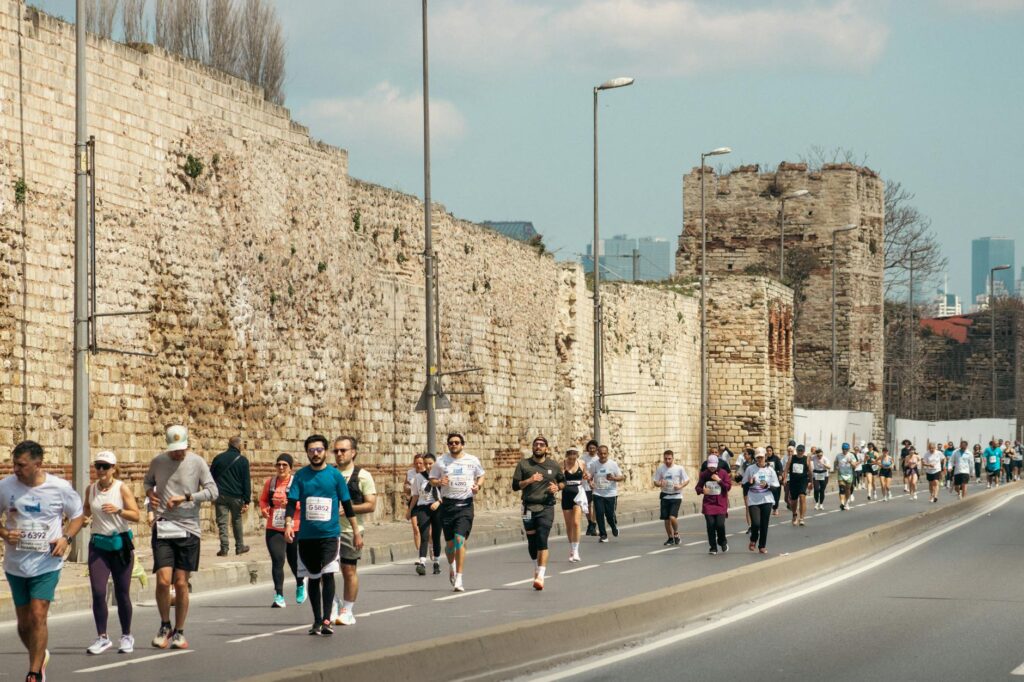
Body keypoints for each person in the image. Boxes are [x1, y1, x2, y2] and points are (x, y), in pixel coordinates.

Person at [1, 440, 85, 681]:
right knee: (24, 624)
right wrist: (6, 533)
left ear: (38, 464)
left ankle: (34, 672)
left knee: (38, 615)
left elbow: (78, 516)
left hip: (47, 562)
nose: (16, 469)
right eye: (14, 464)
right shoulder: (5, 487)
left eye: (21, 465)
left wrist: (66, 538)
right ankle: (39, 653)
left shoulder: (59, 487)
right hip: (16, 564)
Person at [144, 425, 218, 650]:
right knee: (163, 580)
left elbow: (213, 492)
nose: (178, 453)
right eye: (174, 450)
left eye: (181, 449)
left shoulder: (197, 462)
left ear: (187, 444)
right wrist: (151, 494)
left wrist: (187, 497)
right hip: (164, 526)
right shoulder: (158, 462)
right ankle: (165, 625)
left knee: (181, 582)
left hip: (188, 528)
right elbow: (148, 482)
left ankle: (180, 631)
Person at [285, 434, 362, 636]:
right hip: (307, 536)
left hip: (330, 535)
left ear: (325, 452)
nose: (316, 454)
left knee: (328, 575)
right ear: (307, 453)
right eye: (311, 451)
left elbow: (347, 504)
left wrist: (356, 531)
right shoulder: (300, 476)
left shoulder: (334, 476)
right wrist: (287, 525)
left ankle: (327, 619)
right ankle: (317, 620)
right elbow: (292, 502)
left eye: (319, 450)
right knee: (312, 577)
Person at [84, 450, 141, 655]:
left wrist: (118, 510)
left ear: (113, 469)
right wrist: (83, 519)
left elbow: (136, 515)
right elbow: (86, 510)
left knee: (121, 592)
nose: (100, 470)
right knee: (98, 592)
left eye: (105, 466)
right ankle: (102, 637)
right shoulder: (91, 489)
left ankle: (126, 635)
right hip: (98, 545)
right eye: (98, 465)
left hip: (120, 545)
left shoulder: (121, 488)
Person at [429, 433, 485, 592]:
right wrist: (439, 482)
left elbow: (481, 475)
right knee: (450, 546)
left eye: (456, 442)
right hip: (447, 506)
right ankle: (452, 565)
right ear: (448, 445)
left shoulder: (472, 460)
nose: (453, 445)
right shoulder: (441, 461)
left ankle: (459, 578)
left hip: (465, 505)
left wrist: (478, 486)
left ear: (462, 444)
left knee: (460, 540)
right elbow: (432, 479)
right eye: (451, 443)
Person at [331, 436, 376, 626]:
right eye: (336, 451)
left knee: (348, 570)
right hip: (327, 531)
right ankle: (333, 604)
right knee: (324, 572)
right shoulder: (328, 473)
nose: (339, 454)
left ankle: (348, 610)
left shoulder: (363, 476)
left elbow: (371, 505)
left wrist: (348, 509)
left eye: (343, 450)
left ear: (353, 452)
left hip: (351, 530)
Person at [512, 436, 565, 590]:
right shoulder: (524, 464)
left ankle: (541, 575)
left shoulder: (553, 465)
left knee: (542, 537)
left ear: (546, 448)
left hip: (546, 506)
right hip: (528, 507)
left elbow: (563, 481)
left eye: (542, 445)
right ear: (533, 448)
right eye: (536, 445)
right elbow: (515, 486)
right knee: (532, 541)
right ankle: (536, 567)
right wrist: (529, 480)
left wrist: (558, 487)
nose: (538, 447)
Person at [258, 453, 303, 608]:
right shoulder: (270, 483)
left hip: (294, 527)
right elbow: (263, 499)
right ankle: (279, 595)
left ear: (290, 468)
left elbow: (304, 502)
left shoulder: (297, 483)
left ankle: (300, 584)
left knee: (293, 560)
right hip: (274, 527)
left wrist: (291, 504)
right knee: (278, 560)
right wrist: (264, 509)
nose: (281, 468)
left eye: (285, 465)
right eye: (279, 465)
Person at [210, 436, 251, 557]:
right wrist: (247, 500)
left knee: (222, 522)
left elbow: (211, 476)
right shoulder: (243, 460)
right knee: (237, 520)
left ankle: (224, 549)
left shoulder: (218, 458)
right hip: (236, 497)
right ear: (239, 446)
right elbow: (246, 481)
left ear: (229, 444)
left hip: (221, 495)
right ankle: (239, 547)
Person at [410, 453, 442, 575]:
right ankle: (422, 562)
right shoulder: (419, 477)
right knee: (424, 534)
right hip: (423, 508)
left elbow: (446, 494)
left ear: (435, 464)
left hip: (437, 507)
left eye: (430, 463)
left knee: (436, 536)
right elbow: (416, 495)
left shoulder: (441, 476)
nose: (428, 466)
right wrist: (410, 510)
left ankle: (436, 562)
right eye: (426, 463)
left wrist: (438, 502)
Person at [741, 448, 778, 554]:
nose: (760, 459)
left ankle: (762, 546)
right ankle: (753, 539)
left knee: (764, 524)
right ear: (755, 458)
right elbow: (744, 485)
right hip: (754, 499)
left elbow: (776, 487)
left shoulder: (770, 470)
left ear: (765, 457)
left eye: (761, 457)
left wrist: (767, 485)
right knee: (756, 523)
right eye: (758, 457)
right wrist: (750, 483)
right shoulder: (750, 469)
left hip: (766, 499)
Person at [587, 445, 624, 543]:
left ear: (607, 454)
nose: (603, 455)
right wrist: (590, 483)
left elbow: (621, 477)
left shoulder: (613, 464)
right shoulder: (594, 464)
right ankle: (603, 535)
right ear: (598, 454)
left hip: (611, 494)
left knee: (609, 515)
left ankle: (613, 526)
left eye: (605, 453)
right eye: (601, 453)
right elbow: (590, 476)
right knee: (599, 514)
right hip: (598, 493)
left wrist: (614, 478)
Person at [695, 455, 731, 555]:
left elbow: (728, 487)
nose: (712, 468)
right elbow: (697, 488)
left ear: (717, 465)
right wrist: (703, 490)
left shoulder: (723, 473)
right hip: (709, 504)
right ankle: (713, 547)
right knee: (710, 525)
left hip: (721, 503)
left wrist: (719, 480)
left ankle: (722, 541)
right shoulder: (704, 474)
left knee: (720, 524)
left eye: (713, 466)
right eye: (710, 466)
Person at [653, 450, 689, 545]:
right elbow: (655, 482)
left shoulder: (679, 468)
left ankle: (676, 533)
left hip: (676, 496)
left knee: (672, 517)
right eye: (665, 459)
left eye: (669, 459)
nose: (667, 461)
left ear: (673, 458)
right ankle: (670, 538)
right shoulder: (661, 468)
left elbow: (687, 480)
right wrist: (660, 483)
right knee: (666, 519)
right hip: (665, 495)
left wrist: (680, 486)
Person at [561, 448, 587, 562]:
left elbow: (586, 475)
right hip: (566, 494)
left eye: (574, 454)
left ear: (577, 455)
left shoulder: (581, 463)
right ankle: (571, 548)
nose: (572, 456)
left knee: (576, 523)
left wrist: (588, 478)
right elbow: (559, 478)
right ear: (567, 455)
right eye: (570, 454)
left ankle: (576, 550)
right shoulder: (562, 463)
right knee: (569, 524)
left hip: (578, 494)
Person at [404, 454, 426, 555]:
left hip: (425, 502)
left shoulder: (428, 473)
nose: (418, 465)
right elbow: (405, 487)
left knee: (426, 530)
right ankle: (419, 554)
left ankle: (430, 548)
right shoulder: (410, 473)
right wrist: (408, 488)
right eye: (416, 463)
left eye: (420, 463)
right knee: (415, 528)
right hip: (413, 501)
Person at [785, 444, 811, 526]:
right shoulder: (792, 457)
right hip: (793, 481)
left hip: (803, 481)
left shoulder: (806, 459)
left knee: (802, 497)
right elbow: (786, 469)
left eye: (802, 451)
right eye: (799, 450)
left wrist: (811, 482)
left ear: (804, 451)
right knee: (794, 500)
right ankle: (794, 514)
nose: (800, 452)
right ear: (796, 450)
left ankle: (802, 517)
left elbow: (810, 471)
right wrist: (785, 478)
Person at [581, 440, 600, 536]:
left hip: (596, 485)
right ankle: (590, 524)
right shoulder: (584, 458)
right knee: (587, 505)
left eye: (593, 448)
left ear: (596, 449)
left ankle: (593, 524)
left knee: (595, 505)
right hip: (586, 485)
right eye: (590, 448)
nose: (592, 450)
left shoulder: (598, 459)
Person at [834, 443, 857, 510]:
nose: (845, 451)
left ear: (848, 449)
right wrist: (836, 467)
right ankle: (842, 503)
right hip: (841, 474)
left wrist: (850, 462)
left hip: (849, 475)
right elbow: (835, 462)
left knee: (848, 489)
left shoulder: (851, 455)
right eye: (843, 449)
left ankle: (846, 502)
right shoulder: (838, 455)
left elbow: (854, 466)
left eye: (846, 449)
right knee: (842, 488)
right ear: (842, 449)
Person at [765, 446, 784, 517]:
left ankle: (775, 508)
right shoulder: (765, 459)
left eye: (770, 451)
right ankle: (769, 507)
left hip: (776, 479)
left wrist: (780, 475)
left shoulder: (776, 458)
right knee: (768, 493)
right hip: (767, 479)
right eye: (767, 451)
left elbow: (781, 468)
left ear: (772, 451)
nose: (769, 452)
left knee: (776, 495)